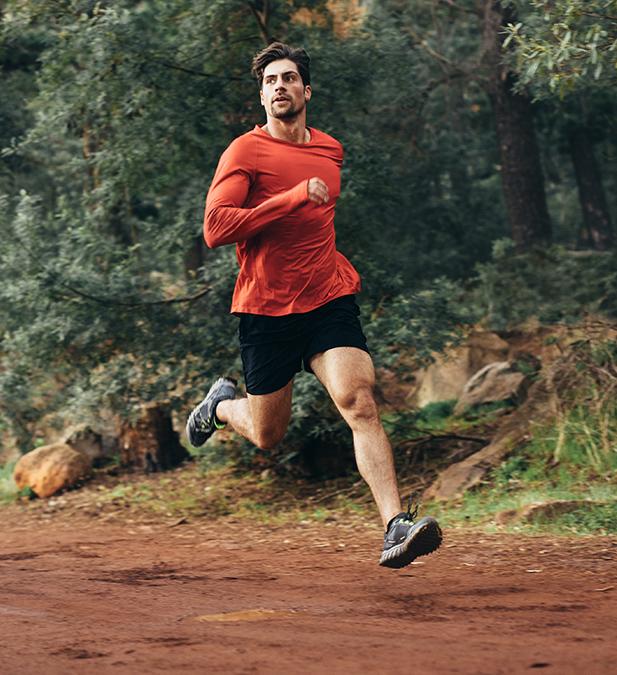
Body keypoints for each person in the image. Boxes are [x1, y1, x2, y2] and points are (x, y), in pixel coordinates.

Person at [186, 42, 441, 569]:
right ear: (261, 94)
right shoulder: (244, 152)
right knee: (267, 435)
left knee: (359, 400)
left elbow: (318, 224)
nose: (279, 86)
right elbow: (215, 228)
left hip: (328, 297)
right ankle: (220, 407)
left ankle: (396, 525)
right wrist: (291, 197)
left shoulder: (330, 149)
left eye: (289, 78)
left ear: (306, 90)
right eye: (270, 81)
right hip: (265, 310)